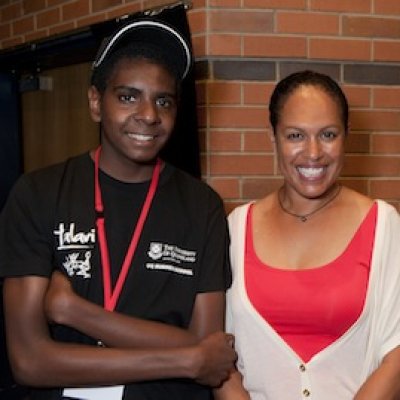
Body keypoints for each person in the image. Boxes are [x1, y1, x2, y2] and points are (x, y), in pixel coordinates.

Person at [0, 18, 236, 400]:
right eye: (128, 96)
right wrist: (184, 360)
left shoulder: (201, 205)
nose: (148, 115)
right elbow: (29, 360)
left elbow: (206, 342)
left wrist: (74, 310)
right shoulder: (38, 195)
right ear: (96, 102)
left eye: (164, 101)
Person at [218, 70, 400, 399]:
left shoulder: (385, 225)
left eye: (328, 134)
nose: (313, 152)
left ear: (346, 136)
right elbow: (219, 355)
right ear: (273, 138)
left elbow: (396, 354)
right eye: (295, 136)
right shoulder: (235, 227)